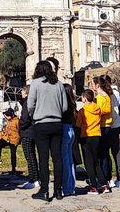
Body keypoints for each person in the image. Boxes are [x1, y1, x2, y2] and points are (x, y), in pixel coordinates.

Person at [27, 60, 68, 201]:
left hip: (41, 124)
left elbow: (30, 104)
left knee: (43, 158)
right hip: (57, 123)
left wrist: (35, 115)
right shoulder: (59, 84)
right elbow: (65, 107)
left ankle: (44, 190)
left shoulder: (36, 84)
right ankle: (58, 190)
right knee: (57, 158)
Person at [76, 89, 110, 194]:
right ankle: (104, 185)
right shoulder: (98, 109)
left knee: (89, 163)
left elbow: (78, 124)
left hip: (86, 136)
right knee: (96, 162)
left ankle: (94, 186)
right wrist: (107, 98)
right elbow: (107, 110)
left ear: (85, 99)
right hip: (96, 135)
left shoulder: (82, 110)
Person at [91, 76, 113, 186]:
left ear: (97, 85)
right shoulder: (104, 96)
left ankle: (104, 177)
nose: (91, 86)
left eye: (92, 84)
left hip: (104, 126)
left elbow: (106, 110)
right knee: (104, 153)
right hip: (105, 125)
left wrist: (96, 110)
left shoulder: (101, 97)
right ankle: (107, 177)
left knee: (103, 154)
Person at [105, 75, 120, 187]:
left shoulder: (110, 94)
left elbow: (112, 111)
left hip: (111, 125)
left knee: (110, 152)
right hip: (116, 124)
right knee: (116, 151)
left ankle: (112, 178)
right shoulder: (116, 92)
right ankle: (119, 177)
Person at [19, 85, 39, 190]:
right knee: (32, 156)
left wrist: (20, 125)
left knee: (30, 157)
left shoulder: (27, 103)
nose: (21, 93)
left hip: (27, 132)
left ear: (26, 92)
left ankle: (34, 179)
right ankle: (35, 178)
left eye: (22, 91)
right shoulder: (32, 102)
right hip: (31, 131)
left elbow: (26, 118)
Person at [61, 84, 77, 197]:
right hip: (71, 129)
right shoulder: (72, 103)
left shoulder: (64, 104)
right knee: (70, 161)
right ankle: (71, 187)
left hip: (64, 130)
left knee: (65, 161)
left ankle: (66, 187)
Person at [0, 109, 20, 175]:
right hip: (7, 137)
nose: (6, 117)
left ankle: (13, 168)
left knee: (13, 154)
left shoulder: (16, 121)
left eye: (8, 115)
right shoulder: (7, 121)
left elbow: (19, 130)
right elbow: (5, 130)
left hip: (14, 139)